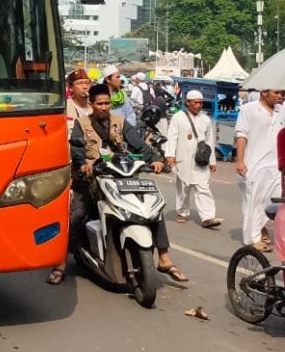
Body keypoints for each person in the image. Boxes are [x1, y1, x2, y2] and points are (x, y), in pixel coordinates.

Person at [46, 83, 188, 285]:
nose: (104, 107)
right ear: (92, 104)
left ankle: (164, 258)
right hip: (90, 180)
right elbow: (77, 149)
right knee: (75, 216)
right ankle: (60, 263)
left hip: (121, 176)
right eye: (99, 104)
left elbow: (138, 143)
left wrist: (154, 159)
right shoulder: (82, 123)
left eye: (107, 103)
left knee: (152, 207)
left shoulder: (120, 122)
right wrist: (83, 166)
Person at [234, 89, 283, 251]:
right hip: (254, 165)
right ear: (264, 92)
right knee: (254, 202)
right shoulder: (249, 109)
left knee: (274, 201)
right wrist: (240, 160)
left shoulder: (281, 111)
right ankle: (253, 239)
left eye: (282, 93)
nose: (280, 96)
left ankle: (261, 228)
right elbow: (241, 135)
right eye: (276, 92)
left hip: (276, 166)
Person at [165, 89, 221, 228]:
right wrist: (170, 155)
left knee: (203, 188)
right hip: (182, 159)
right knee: (183, 188)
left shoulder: (206, 119)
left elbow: (210, 141)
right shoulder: (178, 117)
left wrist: (212, 161)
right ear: (187, 102)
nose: (198, 105)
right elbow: (172, 137)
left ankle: (207, 217)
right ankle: (182, 212)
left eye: (201, 103)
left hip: (201, 160)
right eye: (196, 102)